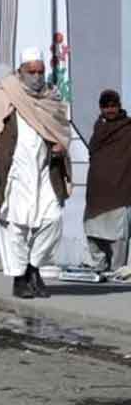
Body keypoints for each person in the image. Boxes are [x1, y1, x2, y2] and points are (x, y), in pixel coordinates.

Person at [0, 47, 70, 299]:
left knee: (52, 220)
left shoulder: (51, 97)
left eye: (41, 71)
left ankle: (33, 268)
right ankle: (20, 278)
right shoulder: (2, 95)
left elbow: (61, 130)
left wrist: (60, 146)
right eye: (31, 71)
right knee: (14, 226)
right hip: (12, 173)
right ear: (20, 71)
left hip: (44, 171)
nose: (37, 76)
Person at [83, 90, 131, 276]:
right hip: (97, 189)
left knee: (118, 234)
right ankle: (99, 264)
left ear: (119, 106)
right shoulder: (99, 126)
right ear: (101, 108)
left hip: (120, 187)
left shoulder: (127, 127)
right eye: (106, 106)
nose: (110, 110)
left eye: (113, 106)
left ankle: (117, 268)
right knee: (93, 230)